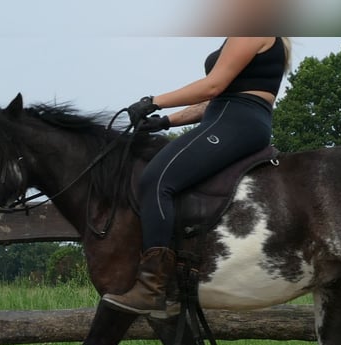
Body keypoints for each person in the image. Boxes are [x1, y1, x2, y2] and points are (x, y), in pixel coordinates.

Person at [104, 37, 291, 315]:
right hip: (228, 117)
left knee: (157, 179)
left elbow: (212, 86)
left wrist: (153, 102)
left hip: (235, 120)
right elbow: (215, 99)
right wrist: (166, 121)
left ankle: (151, 287)